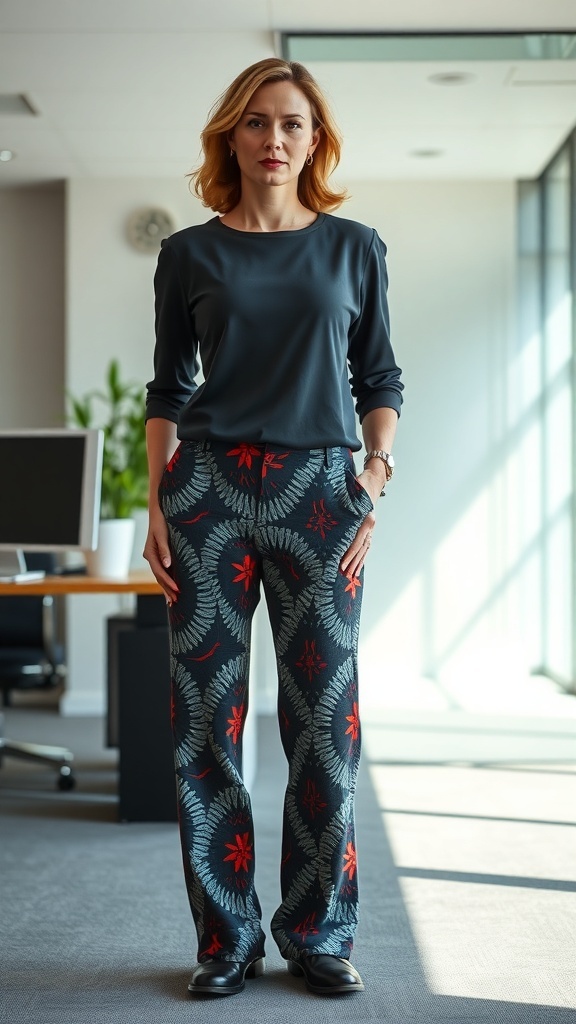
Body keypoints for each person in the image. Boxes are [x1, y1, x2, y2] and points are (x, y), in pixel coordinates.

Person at [144, 56, 403, 999]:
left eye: (292, 123)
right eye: (257, 122)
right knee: (205, 724)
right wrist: (156, 502)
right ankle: (226, 938)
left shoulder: (355, 248)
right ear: (232, 136)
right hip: (208, 492)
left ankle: (318, 931)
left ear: (314, 139)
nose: (274, 139)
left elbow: (380, 377)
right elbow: (169, 387)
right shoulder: (189, 254)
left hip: (322, 496)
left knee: (325, 724)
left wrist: (373, 477)